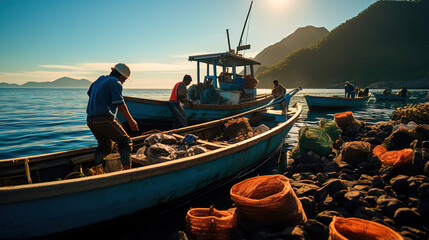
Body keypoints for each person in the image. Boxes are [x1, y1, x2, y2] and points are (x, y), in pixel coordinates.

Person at [86, 63, 139, 175]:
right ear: (121, 76)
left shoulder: (100, 79)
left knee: (104, 146)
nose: (124, 81)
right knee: (125, 142)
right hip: (104, 119)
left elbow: (89, 93)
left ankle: (98, 170)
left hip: (90, 119)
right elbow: (120, 104)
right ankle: (126, 172)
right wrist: (131, 121)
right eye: (125, 78)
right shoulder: (116, 83)